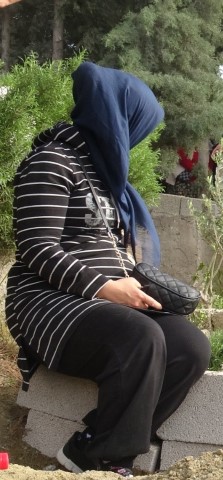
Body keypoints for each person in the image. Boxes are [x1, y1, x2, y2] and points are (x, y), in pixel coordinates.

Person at [4, 62, 210, 477]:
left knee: (190, 347)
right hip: (46, 301)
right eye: (137, 127)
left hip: (102, 303)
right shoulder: (51, 162)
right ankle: (112, 460)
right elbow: (36, 247)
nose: (136, 139)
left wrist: (139, 282)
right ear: (116, 119)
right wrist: (104, 288)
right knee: (141, 335)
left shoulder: (105, 179)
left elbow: (113, 251)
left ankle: (89, 445)